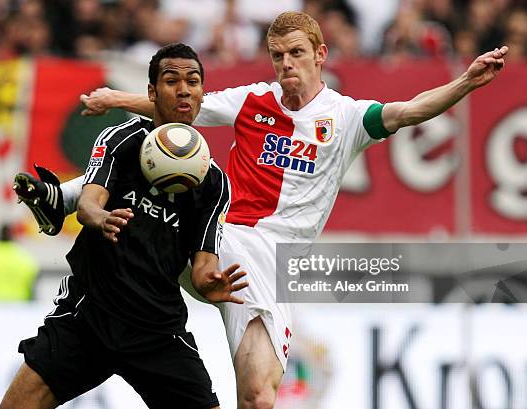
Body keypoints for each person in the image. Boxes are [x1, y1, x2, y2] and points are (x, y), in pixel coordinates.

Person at [32, 11, 509, 409]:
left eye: (296, 53)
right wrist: (119, 100)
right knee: (165, 152)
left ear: (320, 55)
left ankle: (74, 212)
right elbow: (183, 107)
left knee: (259, 398)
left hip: (273, 266)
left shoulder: (345, 117)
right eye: (278, 55)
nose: (286, 64)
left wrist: (466, 81)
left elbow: (410, 110)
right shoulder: (252, 100)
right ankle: (65, 199)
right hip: (222, 237)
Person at [0, 43, 247, 409]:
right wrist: (100, 218)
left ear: (200, 94)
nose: (183, 90)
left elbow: (202, 263)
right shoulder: (121, 139)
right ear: (151, 92)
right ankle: (53, 200)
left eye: (193, 82)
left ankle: (50, 198)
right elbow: (87, 204)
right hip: (90, 316)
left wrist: (210, 283)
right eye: (171, 80)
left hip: (158, 332)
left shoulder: (213, 182)